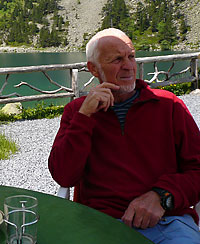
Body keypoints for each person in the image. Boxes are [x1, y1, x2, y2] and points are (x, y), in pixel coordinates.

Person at [48, 28, 200, 243]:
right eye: (116, 59)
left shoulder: (169, 105)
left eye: (131, 56)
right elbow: (64, 176)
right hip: (99, 223)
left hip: (167, 220)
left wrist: (163, 196)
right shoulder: (77, 111)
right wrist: (84, 117)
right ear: (93, 68)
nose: (128, 66)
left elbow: (197, 169)